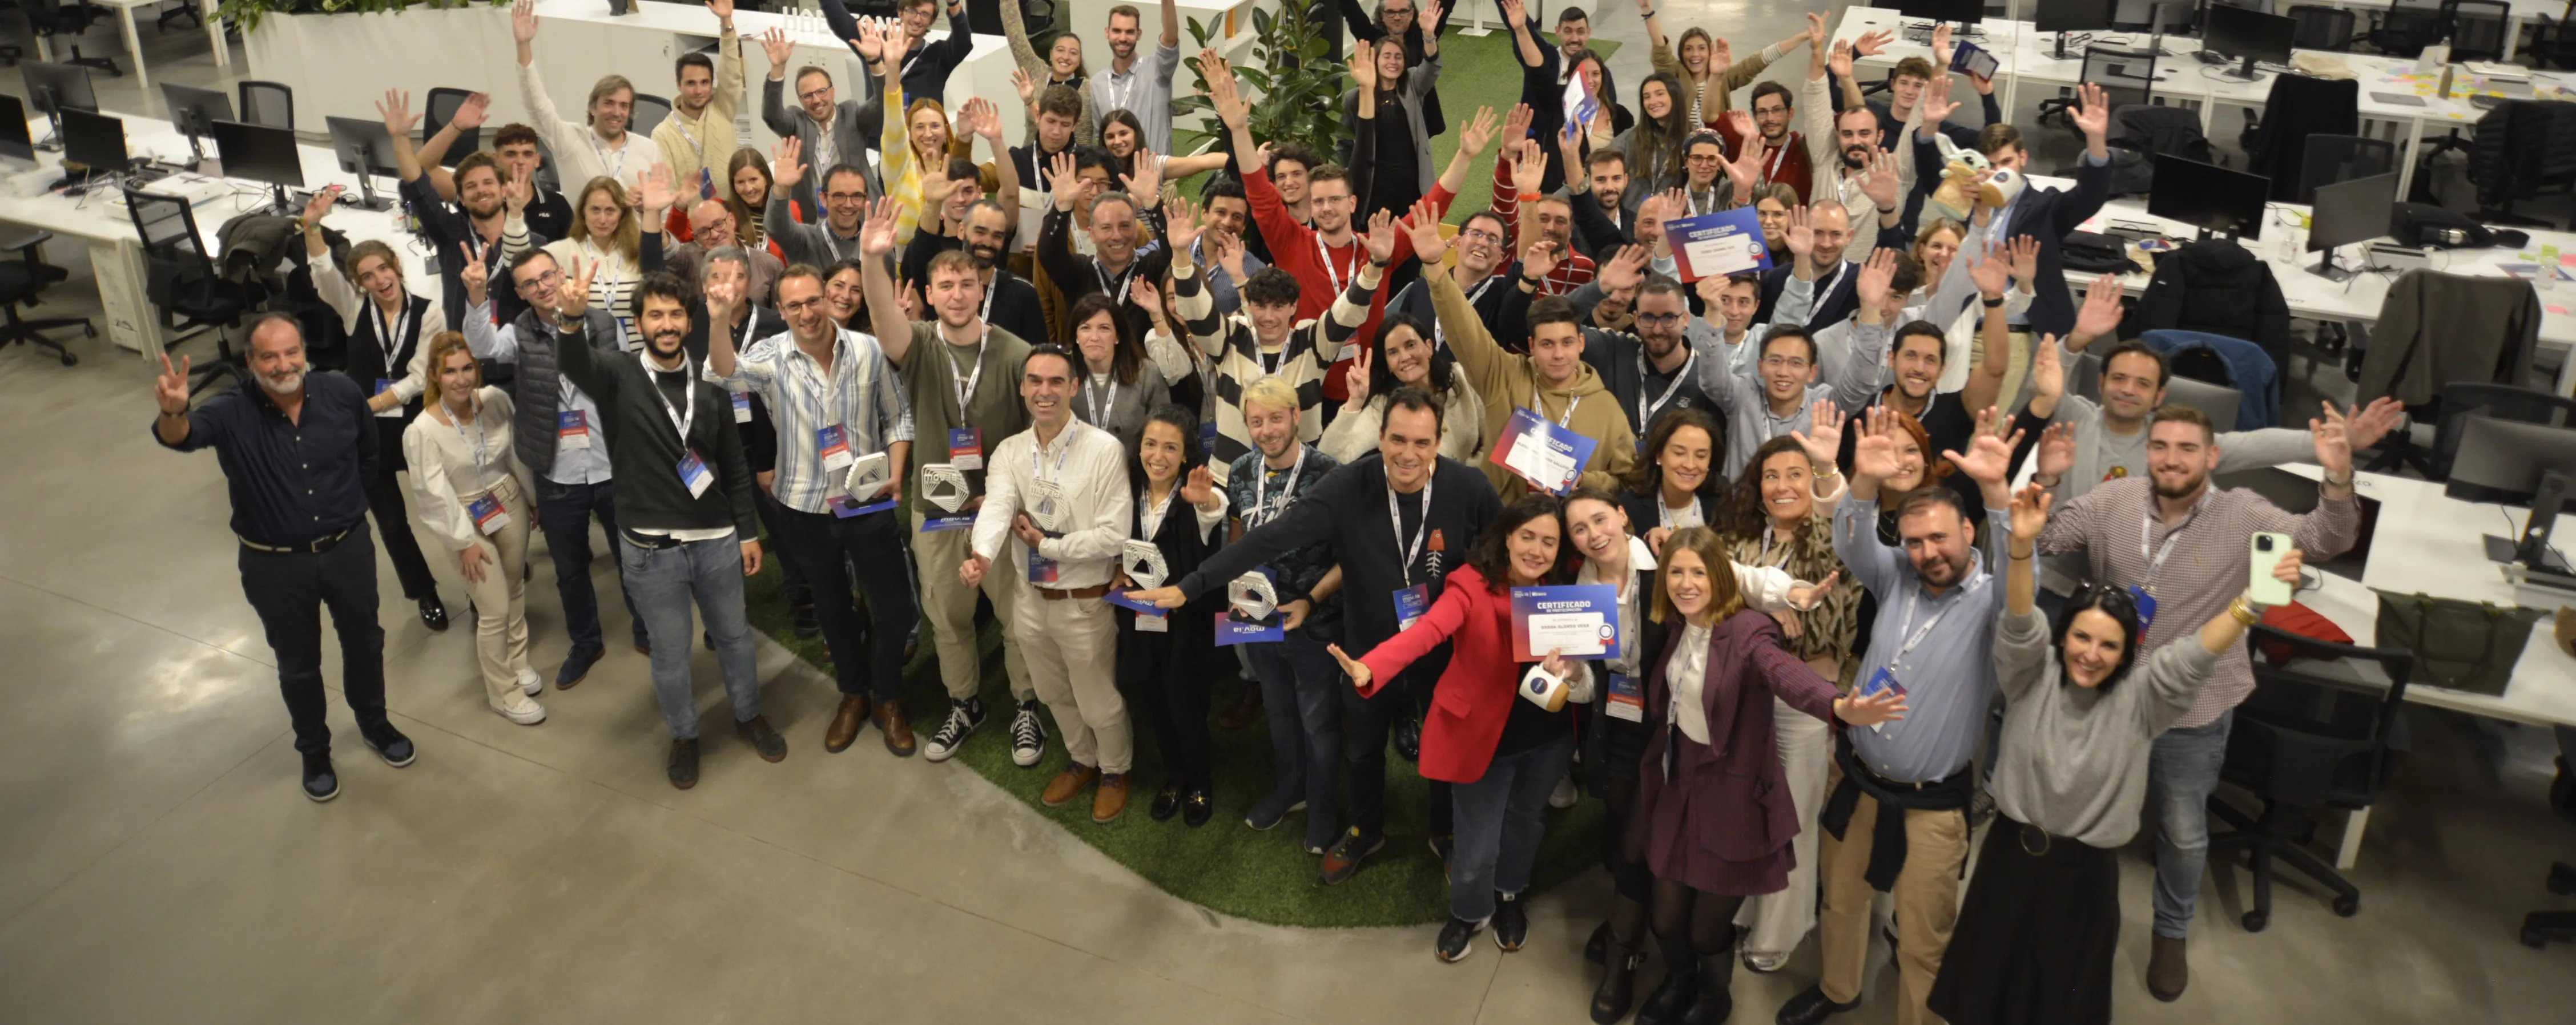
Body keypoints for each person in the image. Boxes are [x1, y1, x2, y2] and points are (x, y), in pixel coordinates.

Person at [1925, 481, 2296, 1025]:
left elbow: (2193, 657)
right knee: (1984, 991)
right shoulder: (2031, 675)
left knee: (2057, 1003)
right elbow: (2020, 622)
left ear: (2127, 654)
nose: (2091, 655)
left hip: (2083, 877)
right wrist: (2021, 549)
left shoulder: (2144, 700)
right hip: (2009, 859)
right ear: (2063, 637)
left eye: (2108, 645)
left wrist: (2251, 604)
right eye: (2081, 638)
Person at [2031, 401, 2363, 1001]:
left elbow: (2326, 537)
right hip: (2109, 699)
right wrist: (2046, 479)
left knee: (2183, 832)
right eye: (2161, 446)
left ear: (2211, 457)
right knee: (2079, 815)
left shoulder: (2243, 512)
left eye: (2187, 448)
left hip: (2193, 706)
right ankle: (2065, 915)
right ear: (2148, 452)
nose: (2172, 459)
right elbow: (2046, 537)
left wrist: (2337, 478)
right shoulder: (2114, 500)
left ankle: (2171, 931)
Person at [1132, 388, 1505, 884]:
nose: (1408, 454)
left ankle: (1445, 830)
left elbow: (1502, 557)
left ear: (1439, 441)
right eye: (1397, 440)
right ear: (1381, 437)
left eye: (1421, 442)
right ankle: (1365, 829)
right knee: (1363, 747)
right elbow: (1268, 538)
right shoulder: (1349, 485)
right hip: (1366, 649)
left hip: (1439, 646)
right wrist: (1190, 587)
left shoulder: (1469, 488)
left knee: (1443, 740)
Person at [1777, 407, 2016, 1025]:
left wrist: (1998, 497)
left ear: (1969, 530)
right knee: (1842, 900)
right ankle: (1839, 989)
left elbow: (2024, 590)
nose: (1927, 553)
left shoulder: (1992, 603)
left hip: (1930, 804)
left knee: (1922, 939)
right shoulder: (1897, 575)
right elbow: (1852, 540)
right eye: (1914, 541)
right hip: (1857, 778)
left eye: (1940, 538)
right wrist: (1859, 478)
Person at [1561, 485, 1838, 1019]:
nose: (1593, 534)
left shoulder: (1697, 591)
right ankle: (1659, 968)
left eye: (1600, 519)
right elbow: (1594, 669)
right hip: (1652, 750)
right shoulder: (1590, 592)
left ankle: (1708, 993)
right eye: (1579, 528)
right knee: (1643, 872)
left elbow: (1775, 656)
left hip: (1716, 775)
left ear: (1621, 516)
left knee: (1699, 912)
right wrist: (1571, 672)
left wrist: (1788, 598)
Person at [1627, 524, 1901, 1023]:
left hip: (1732, 795)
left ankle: (1714, 998)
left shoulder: (1748, 631)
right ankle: (1680, 981)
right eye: (1677, 573)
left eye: (1698, 573)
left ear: (1721, 577)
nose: (1686, 584)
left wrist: (1838, 706)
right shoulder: (1677, 627)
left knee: (1707, 930)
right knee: (1665, 918)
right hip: (1679, 784)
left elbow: (1784, 674)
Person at [151, 317, 416, 802]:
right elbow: (182, 435)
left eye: (291, 352)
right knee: (298, 664)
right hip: (275, 565)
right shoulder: (231, 410)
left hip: (347, 548)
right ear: (250, 362)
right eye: (269, 356)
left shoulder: (341, 394)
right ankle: (314, 750)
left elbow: (368, 455)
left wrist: (348, 507)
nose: (283, 365)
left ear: (304, 352)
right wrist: (174, 412)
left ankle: (374, 723)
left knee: (365, 642)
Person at [1323, 494, 1584, 961]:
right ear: (1507, 537)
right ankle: (1469, 911)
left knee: (1527, 821)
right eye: (1527, 537)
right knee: (1476, 842)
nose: (1537, 550)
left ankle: (1509, 894)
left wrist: (1576, 667)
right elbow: (1427, 632)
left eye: (1549, 541)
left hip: (1548, 738)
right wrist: (1372, 667)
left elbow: (1589, 655)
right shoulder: (1470, 585)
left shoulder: (1567, 589)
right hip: (1482, 738)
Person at [2031, 283, 2406, 606]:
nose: (2128, 389)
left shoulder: (2171, 447)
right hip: (2057, 580)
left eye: (2142, 384)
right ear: (2101, 384)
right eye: (2119, 379)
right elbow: (2043, 390)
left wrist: (2335, 442)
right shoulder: (2075, 418)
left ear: (2159, 396)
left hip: (2131, 591)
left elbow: (2257, 445)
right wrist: (2077, 340)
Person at [550, 270, 772, 788]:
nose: (667, 324)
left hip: (716, 540)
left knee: (735, 638)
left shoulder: (711, 382)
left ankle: (749, 715)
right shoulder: (617, 374)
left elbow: (734, 465)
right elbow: (574, 362)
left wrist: (747, 533)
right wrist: (571, 319)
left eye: (675, 315)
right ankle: (684, 735)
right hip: (651, 550)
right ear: (639, 323)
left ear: (689, 323)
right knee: (671, 654)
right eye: (656, 315)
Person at [861, 199, 1049, 767]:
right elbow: (883, 320)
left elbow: (1039, 437)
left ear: (980, 288)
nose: (958, 294)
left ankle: (1027, 705)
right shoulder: (919, 343)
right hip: (937, 509)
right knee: (947, 615)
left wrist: (1013, 497)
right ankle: (965, 703)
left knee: (1019, 617)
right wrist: (872, 260)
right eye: (946, 285)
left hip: (1000, 509)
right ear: (930, 293)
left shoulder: (1015, 353)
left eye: (967, 283)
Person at [713, 249, 921, 758]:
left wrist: (896, 471)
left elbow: (898, 417)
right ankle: (853, 694)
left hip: (866, 497)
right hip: (803, 505)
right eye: (794, 306)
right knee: (831, 607)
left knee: (894, 607)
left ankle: (887, 697)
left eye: (814, 301)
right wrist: (718, 321)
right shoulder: (768, 356)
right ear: (780, 311)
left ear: (828, 300)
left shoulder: (868, 349)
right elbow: (722, 372)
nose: (807, 313)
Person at [462, 248, 654, 686]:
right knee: (569, 570)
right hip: (557, 473)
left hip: (612, 465)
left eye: (547, 276)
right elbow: (482, 347)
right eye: (530, 283)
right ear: (520, 293)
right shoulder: (519, 332)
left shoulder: (604, 323)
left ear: (561, 274)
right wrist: (476, 296)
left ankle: (647, 628)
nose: (543, 287)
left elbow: (632, 379)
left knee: (634, 559)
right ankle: (586, 642)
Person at [962, 344, 1137, 822]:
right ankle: (1083, 760)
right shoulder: (1010, 451)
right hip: (1030, 598)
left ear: (1074, 387)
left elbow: (1114, 536)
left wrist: (1048, 546)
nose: (1045, 391)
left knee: (1098, 701)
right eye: (1035, 381)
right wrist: (982, 554)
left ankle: (1116, 770)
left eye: (1057, 381)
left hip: (1084, 602)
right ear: (1023, 388)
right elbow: (998, 505)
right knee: (1052, 692)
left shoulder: (1103, 450)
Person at [1718, 432, 1864, 975]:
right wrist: (1761, 605)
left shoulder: (1835, 539)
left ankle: (1778, 932)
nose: (1782, 486)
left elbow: (1827, 605)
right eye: (1772, 476)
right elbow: (1710, 600)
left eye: (1795, 475)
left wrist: (1827, 474)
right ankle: (1743, 909)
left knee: (1793, 822)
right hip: (1743, 698)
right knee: (1744, 811)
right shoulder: (1739, 540)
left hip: (1803, 702)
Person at [300, 189, 449, 633]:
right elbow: (322, 270)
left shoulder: (430, 313)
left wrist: (372, 404)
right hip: (367, 436)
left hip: (416, 426)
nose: (380, 280)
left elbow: (421, 377)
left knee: (442, 507)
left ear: (396, 266)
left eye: (383, 269)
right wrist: (311, 226)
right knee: (392, 523)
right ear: (360, 283)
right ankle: (424, 592)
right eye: (367, 276)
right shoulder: (354, 309)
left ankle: (481, 577)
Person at [1411, 203, 1636, 497]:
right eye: (1547, 344)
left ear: (1581, 343)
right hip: (1500, 516)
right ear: (1531, 346)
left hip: (1566, 522)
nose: (1558, 354)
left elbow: (1628, 481)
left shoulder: (1606, 407)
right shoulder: (1504, 376)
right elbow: (1464, 328)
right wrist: (1434, 267)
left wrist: (1584, 481)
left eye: (1567, 343)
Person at [1213, 376, 1348, 851]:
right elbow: (1237, 537)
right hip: (1257, 615)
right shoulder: (1241, 471)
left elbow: (1351, 557)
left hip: (1315, 621)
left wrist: (1312, 600)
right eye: (1257, 421)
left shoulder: (1331, 475)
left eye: (1275, 418)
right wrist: (1235, 594)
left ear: (1296, 416)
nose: (1267, 430)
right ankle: (1291, 790)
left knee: (1318, 720)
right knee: (1278, 712)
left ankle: (1323, 806)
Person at [1170, 198, 1378, 483]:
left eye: (1278, 307)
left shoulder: (1311, 341)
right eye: (1261, 306)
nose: (1268, 317)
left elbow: (1347, 310)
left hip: (1299, 480)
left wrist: (1375, 266)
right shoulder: (1232, 336)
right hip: (1231, 477)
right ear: (1249, 304)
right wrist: (1181, 256)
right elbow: (1196, 313)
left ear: (1293, 307)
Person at [403, 331, 547, 726]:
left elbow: (515, 455)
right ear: (435, 375)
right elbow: (432, 495)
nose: (461, 379)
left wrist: (532, 498)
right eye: (450, 372)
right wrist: (462, 542)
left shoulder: (496, 401)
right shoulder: (422, 431)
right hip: (463, 518)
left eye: (468, 368)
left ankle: (518, 660)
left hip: (508, 502)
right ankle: (504, 693)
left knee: (515, 588)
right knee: (494, 607)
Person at [1913, 82, 2116, 341]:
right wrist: (1930, 126)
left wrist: (2096, 140)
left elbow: (2091, 195)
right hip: (1959, 324)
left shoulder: (2046, 207)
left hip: (2014, 329)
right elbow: (1930, 176)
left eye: (2007, 162)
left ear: (2023, 157)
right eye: (1992, 164)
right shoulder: (1968, 200)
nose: (1999, 172)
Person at [1115, 406, 1230, 825]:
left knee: (1186, 706)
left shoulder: (1195, 494)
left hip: (1186, 627)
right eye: (1150, 445)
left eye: (1170, 448)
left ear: (1185, 456)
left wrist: (1206, 501)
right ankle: (1175, 775)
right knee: (1155, 702)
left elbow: (1215, 507)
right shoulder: (1127, 492)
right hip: (1140, 620)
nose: (1158, 456)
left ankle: (1200, 781)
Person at [387, 91, 545, 332]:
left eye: (488, 183)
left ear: (503, 190)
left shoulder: (533, 243)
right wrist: (400, 138)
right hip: (464, 349)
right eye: (471, 186)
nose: (481, 191)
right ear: (460, 197)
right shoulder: (450, 232)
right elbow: (417, 184)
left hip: (518, 347)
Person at [1037, 150, 1174, 344]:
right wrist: (1062, 207)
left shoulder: (1152, 268)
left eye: (1125, 226)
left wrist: (1152, 204)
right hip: (1087, 362)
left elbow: (1174, 250)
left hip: (1146, 362)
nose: (1117, 236)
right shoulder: (1079, 272)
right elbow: (1049, 254)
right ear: (1092, 234)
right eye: (1106, 228)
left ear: (1137, 230)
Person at [513, 0, 650, 188]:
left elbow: (663, 199)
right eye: (609, 103)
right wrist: (523, 45)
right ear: (593, 108)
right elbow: (537, 106)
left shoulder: (648, 149)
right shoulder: (570, 141)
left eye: (624, 106)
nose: (617, 112)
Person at [758, 26, 887, 219]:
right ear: (800, 100)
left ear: (833, 91)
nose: (817, 100)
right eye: (808, 95)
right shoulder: (796, 122)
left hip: (859, 214)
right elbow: (771, 115)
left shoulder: (852, 115)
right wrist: (777, 70)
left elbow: (883, 102)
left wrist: (875, 61)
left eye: (821, 91)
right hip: (814, 218)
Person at [1323, 314, 1483, 465]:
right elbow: (1329, 459)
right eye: (1393, 352)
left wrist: (1476, 474)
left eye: (1410, 345)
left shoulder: (1462, 376)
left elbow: (1494, 435)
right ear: (1388, 364)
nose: (1405, 357)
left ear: (1428, 347)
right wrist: (1355, 402)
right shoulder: (1382, 406)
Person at [545, 168, 675, 349]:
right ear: (582, 212)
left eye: (610, 211)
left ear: (622, 215)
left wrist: (651, 213)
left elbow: (673, 255)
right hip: (588, 354)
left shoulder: (640, 250)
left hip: (637, 354)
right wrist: (515, 215)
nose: (602, 219)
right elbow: (518, 266)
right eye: (595, 210)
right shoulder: (560, 252)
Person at [1640, 0, 1808, 128]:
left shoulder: (1723, 77)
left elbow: (1760, 60)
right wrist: (1647, 10)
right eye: (1688, 49)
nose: (1695, 55)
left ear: (1710, 51)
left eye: (1701, 48)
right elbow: (1661, 49)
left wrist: (1802, 37)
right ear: (1681, 53)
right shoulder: (1675, 75)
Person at [1342, 30, 1443, 219]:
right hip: (1375, 185)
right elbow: (1343, 141)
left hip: (1411, 182)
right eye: (1387, 56)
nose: (1393, 62)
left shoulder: (1412, 83)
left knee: (1412, 230)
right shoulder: (1354, 98)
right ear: (1376, 61)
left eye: (1398, 57)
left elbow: (1432, 67)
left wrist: (1429, 36)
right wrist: (1350, 175)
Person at [654, 1, 746, 205]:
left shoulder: (722, 107)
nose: (698, 91)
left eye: (705, 83)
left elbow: (731, 72)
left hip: (733, 211)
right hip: (694, 220)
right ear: (679, 85)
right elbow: (669, 195)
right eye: (691, 83)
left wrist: (726, 22)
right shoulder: (663, 135)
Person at [1387, 209, 1513, 348]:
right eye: (1476, 234)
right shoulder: (1421, 288)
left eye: (1493, 239)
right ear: (1458, 243)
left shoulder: (1505, 296)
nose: (1483, 243)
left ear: (1500, 258)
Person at [1062, 292, 1172, 447]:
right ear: (1076, 337)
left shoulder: (1147, 373)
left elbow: (1165, 432)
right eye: (1086, 328)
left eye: (1104, 328)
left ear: (1117, 336)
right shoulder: (1060, 375)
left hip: (1132, 461)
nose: (1094, 337)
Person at [822, 0, 972, 107]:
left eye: (925, 14)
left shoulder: (939, 54)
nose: (917, 19)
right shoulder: (877, 44)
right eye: (912, 11)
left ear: (932, 21)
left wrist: (953, 4)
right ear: (901, 13)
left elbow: (963, 42)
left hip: (922, 136)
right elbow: (841, 22)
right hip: (879, 135)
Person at [1337, 0, 1452, 136]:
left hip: (1417, 112)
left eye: (1403, 12)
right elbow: (1351, 9)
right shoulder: (1369, 36)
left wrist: (1429, 34)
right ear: (1382, 15)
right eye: (1390, 12)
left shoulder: (1423, 33)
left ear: (1412, 14)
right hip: (1377, 111)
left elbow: (1445, 7)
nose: (1397, 17)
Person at [765, 137, 875, 272]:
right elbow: (776, 227)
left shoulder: (877, 243)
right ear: (823, 199)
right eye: (839, 196)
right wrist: (781, 188)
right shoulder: (804, 241)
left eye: (856, 196)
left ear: (865, 200)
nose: (848, 204)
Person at [1088, 0, 1183, 152]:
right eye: (1117, 31)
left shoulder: (1158, 69)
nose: (1123, 38)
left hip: (1154, 166)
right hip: (1116, 167)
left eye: (1130, 32)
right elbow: (1101, 137)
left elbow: (1170, 39)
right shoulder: (1097, 83)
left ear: (1139, 34)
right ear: (1107, 32)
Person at [1002, 0, 1096, 147]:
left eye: (1073, 53)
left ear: (1079, 60)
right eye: (1060, 50)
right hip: (1033, 157)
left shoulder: (1090, 90)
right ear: (1051, 54)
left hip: (1075, 160)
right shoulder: (1037, 72)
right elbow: (1016, 35)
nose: (1066, 57)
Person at [666, 199, 784, 304]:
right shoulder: (689, 263)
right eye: (704, 232)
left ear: (732, 220)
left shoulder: (769, 265)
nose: (715, 234)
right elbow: (665, 249)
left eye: (719, 224)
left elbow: (781, 315)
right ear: (696, 238)